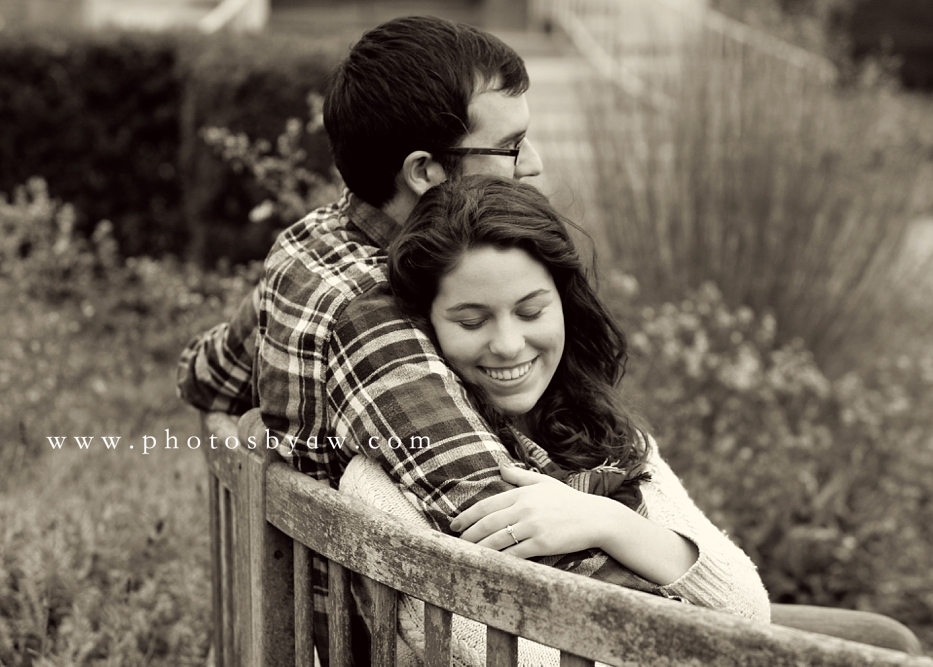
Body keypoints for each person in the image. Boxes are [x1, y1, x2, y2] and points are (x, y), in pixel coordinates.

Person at [176, 14, 717, 662]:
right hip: (448, 645)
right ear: (426, 171)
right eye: (512, 147)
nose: (535, 167)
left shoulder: (308, 246)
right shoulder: (375, 323)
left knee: (878, 636)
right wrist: (652, 544)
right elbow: (519, 539)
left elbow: (205, 376)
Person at [335, 174, 769, 661]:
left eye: (531, 311)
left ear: (565, 304)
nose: (508, 344)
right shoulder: (386, 483)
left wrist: (606, 521)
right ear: (425, 325)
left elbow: (748, 610)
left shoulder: (603, 431)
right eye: (471, 321)